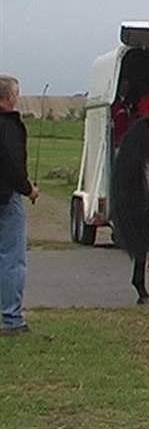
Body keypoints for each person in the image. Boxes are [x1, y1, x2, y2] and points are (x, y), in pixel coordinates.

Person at [0, 75, 40, 335]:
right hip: (6, 198)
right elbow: (12, 165)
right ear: (9, 97)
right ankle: (12, 319)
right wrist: (29, 189)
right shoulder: (9, 125)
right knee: (13, 259)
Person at [111, 78, 134, 148]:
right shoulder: (113, 102)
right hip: (116, 139)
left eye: (127, 86)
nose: (125, 88)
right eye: (123, 86)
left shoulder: (131, 101)